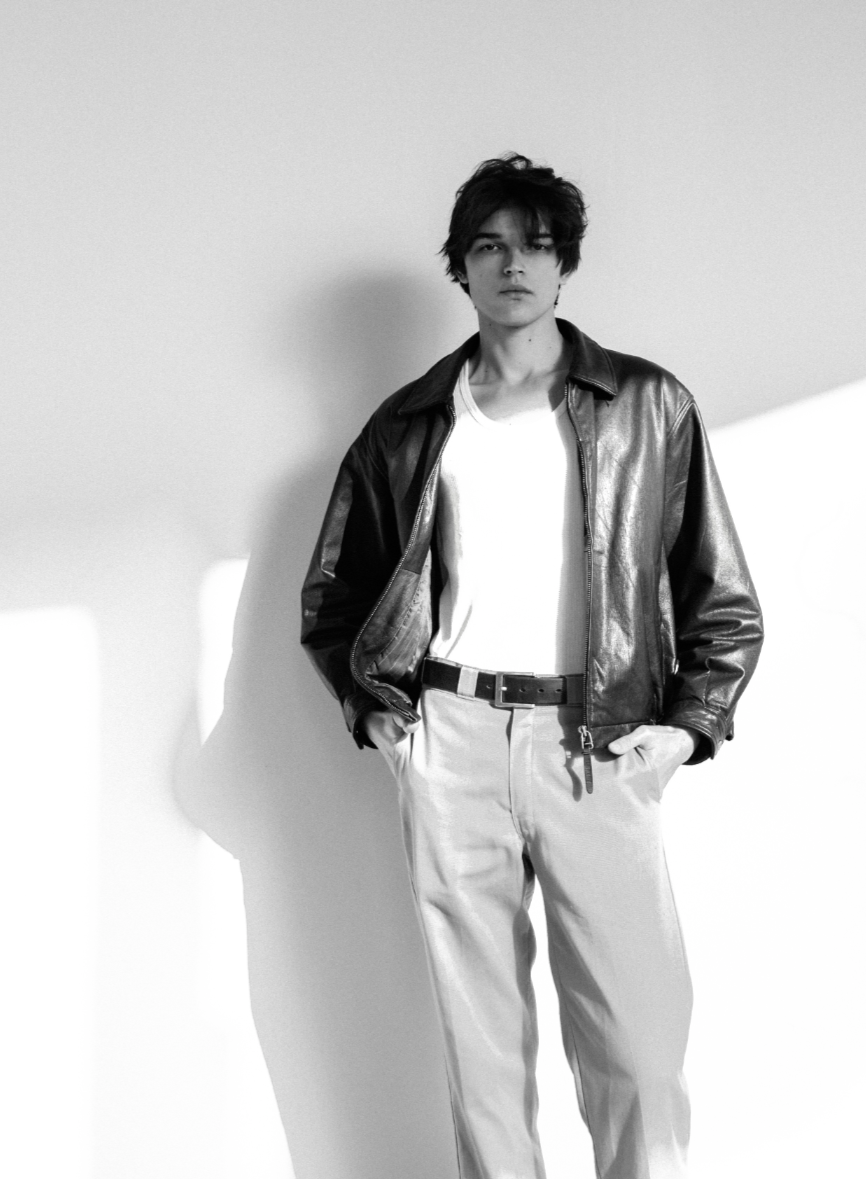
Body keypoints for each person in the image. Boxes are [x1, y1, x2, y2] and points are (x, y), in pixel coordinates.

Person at [300, 153, 763, 1179]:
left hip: (600, 741)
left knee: (639, 1050)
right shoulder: (408, 426)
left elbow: (719, 592)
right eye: (490, 246)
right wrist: (377, 714)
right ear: (461, 267)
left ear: (564, 266)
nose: (514, 264)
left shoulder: (646, 404)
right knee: (483, 1058)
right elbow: (336, 592)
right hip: (451, 738)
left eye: (537, 246)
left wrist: (686, 729)